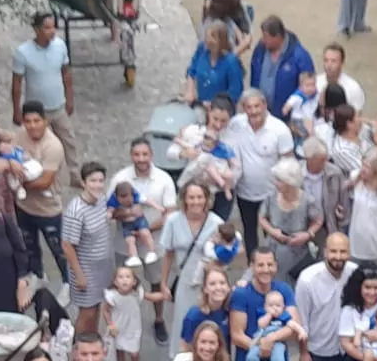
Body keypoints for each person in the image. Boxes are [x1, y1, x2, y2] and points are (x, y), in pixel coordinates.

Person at [111, 137, 182, 329]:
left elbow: (170, 212)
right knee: (122, 282)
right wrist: (126, 214)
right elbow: (110, 210)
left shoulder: (163, 179)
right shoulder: (119, 179)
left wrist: (145, 230)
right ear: (131, 156)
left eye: (145, 154)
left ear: (151, 155)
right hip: (125, 244)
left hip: (155, 243)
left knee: (157, 281)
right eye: (136, 154)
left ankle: (159, 319)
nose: (141, 159)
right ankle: (124, 320)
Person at [224, 89, 297, 253]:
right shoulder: (236, 124)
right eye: (249, 107)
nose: (253, 111)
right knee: (249, 233)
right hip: (245, 193)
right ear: (243, 108)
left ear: (264, 105)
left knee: (274, 234)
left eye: (257, 106)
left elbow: (289, 162)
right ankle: (252, 267)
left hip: (271, 194)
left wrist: (288, 191)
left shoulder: (280, 129)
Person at [161, 183, 229, 341]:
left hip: (209, 282)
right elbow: (168, 254)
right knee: (183, 322)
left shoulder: (216, 222)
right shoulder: (173, 221)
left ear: (206, 199)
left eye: (200, 197)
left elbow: (230, 250)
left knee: (209, 324)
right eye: (191, 197)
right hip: (185, 280)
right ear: (184, 199)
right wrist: (164, 282)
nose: (196, 202)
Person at [15, 102, 71, 287]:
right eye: (28, 121)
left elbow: (45, 181)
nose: (32, 126)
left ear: (45, 121)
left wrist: (19, 181)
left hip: (48, 211)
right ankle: (38, 280)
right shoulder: (20, 136)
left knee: (59, 250)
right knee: (29, 249)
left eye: (37, 121)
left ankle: (68, 283)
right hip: (23, 208)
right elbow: (13, 156)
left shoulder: (53, 146)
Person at [60, 163, 117, 336]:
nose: (98, 185)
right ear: (83, 183)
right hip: (86, 271)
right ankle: (77, 348)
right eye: (93, 181)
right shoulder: (75, 211)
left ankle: (92, 343)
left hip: (103, 268)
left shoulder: (101, 200)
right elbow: (67, 245)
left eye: (100, 181)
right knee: (87, 313)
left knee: (98, 306)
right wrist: (79, 275)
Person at [12, 13, 79, 158]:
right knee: (38, 148)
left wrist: (70, 98)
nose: (52, 31)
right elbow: (17, 83)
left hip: (59, 106)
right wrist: (16, 110)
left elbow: (66, 73)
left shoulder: (60, 45)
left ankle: (75, 177)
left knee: (69, 143)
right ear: (36, 29)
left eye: (53, 27)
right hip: (37, 112)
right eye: (47, 28)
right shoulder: (23, 52)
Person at [262, 160, 323, 280]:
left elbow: (318, 220)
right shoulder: (271, 197)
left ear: (290, 183)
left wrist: (307, 234)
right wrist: (272, 232)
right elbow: (262, 217)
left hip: (298, 253)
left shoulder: (308, 200)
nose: (275, 183)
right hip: (274, 249)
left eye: (279, 181)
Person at [185, 23, 246, 105]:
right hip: (201, 104)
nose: (208, 39)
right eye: (207, 36)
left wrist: (213, 105)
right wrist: (189, 92)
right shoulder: (201, 49)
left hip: (221, 110)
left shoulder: (231, 62)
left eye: (213, 37)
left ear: (222, 41)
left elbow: (235, 93)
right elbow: (191, 71)